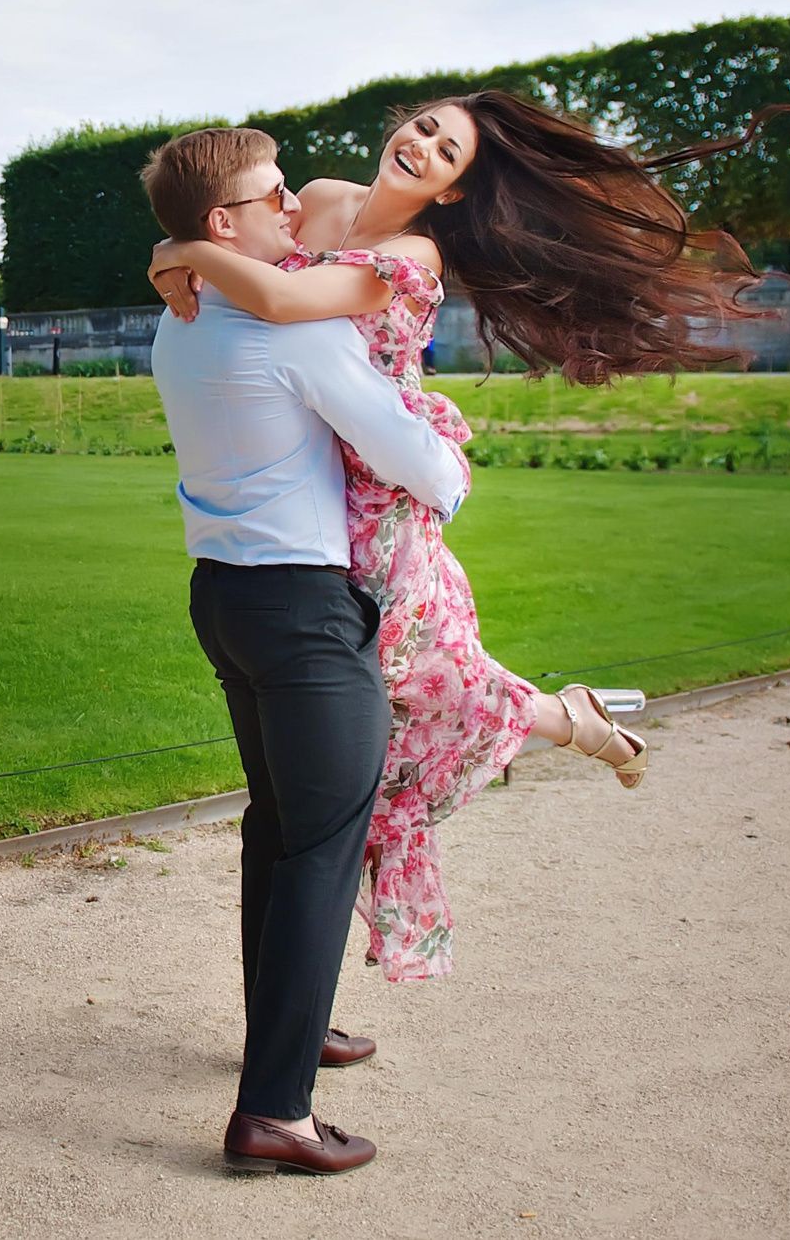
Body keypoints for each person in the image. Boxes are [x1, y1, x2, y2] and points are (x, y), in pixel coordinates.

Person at [149, 90, 783, 984]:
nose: (423, 146)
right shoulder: (318, 198)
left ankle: (570, 724)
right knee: (391, 695)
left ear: (452, 189)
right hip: (318, 466)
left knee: (408, 683)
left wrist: (180, 246)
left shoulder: (412, 252)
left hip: (385, 483)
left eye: (447, 153)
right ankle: (572, 720)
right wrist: (184, 248)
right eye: (424, 126)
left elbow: (286, 302)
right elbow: (248, 269)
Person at [142, 125, 470, 1176]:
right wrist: (450, 452)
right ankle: (275, 1110)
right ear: (222, 225)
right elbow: (420, 464)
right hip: (304, 612)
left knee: (277, 831)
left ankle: (293, 1028)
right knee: (320, 849)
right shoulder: (296, 329)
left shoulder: (179, 320)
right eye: (270, 196)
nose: (294, 207)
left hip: (224, 598)